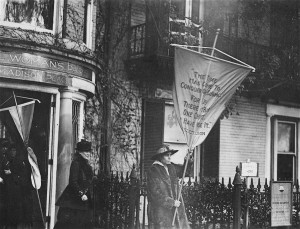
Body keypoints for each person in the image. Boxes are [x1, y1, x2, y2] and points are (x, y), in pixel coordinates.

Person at [147, 144, 190, 229]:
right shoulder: (154, 170)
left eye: (170, 155)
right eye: (167, 155)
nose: (170, 157)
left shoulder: (171, 167)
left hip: (174, 211)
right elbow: (155, 193)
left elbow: (184, 172)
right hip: (161, 212)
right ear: (160, 157)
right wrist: (172, 202)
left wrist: (188, 160)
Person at [55, 139, 94, 229]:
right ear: (80, 152)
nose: (88, 153)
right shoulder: (76, 163)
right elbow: (73, 181)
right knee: (71, 224)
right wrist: (81, 194)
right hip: (74, 200)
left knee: (83, 223)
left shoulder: (87, 165)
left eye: (89, 151)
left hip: (84, 200)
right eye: (85, 151)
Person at [3, 143, 33, 229]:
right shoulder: (6, 160)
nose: (13, 152)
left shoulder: (19, 161)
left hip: (16, 189)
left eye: (14, 150)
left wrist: (12, 174)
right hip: (7, 188)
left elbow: (23, 176)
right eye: (11, 150)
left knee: (15, 209)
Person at [0, 138, 10, 228]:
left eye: (6, 147)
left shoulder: (5, 157)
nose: (5, 149)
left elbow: (6, 170)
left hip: (4, 185)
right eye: (3, 147)